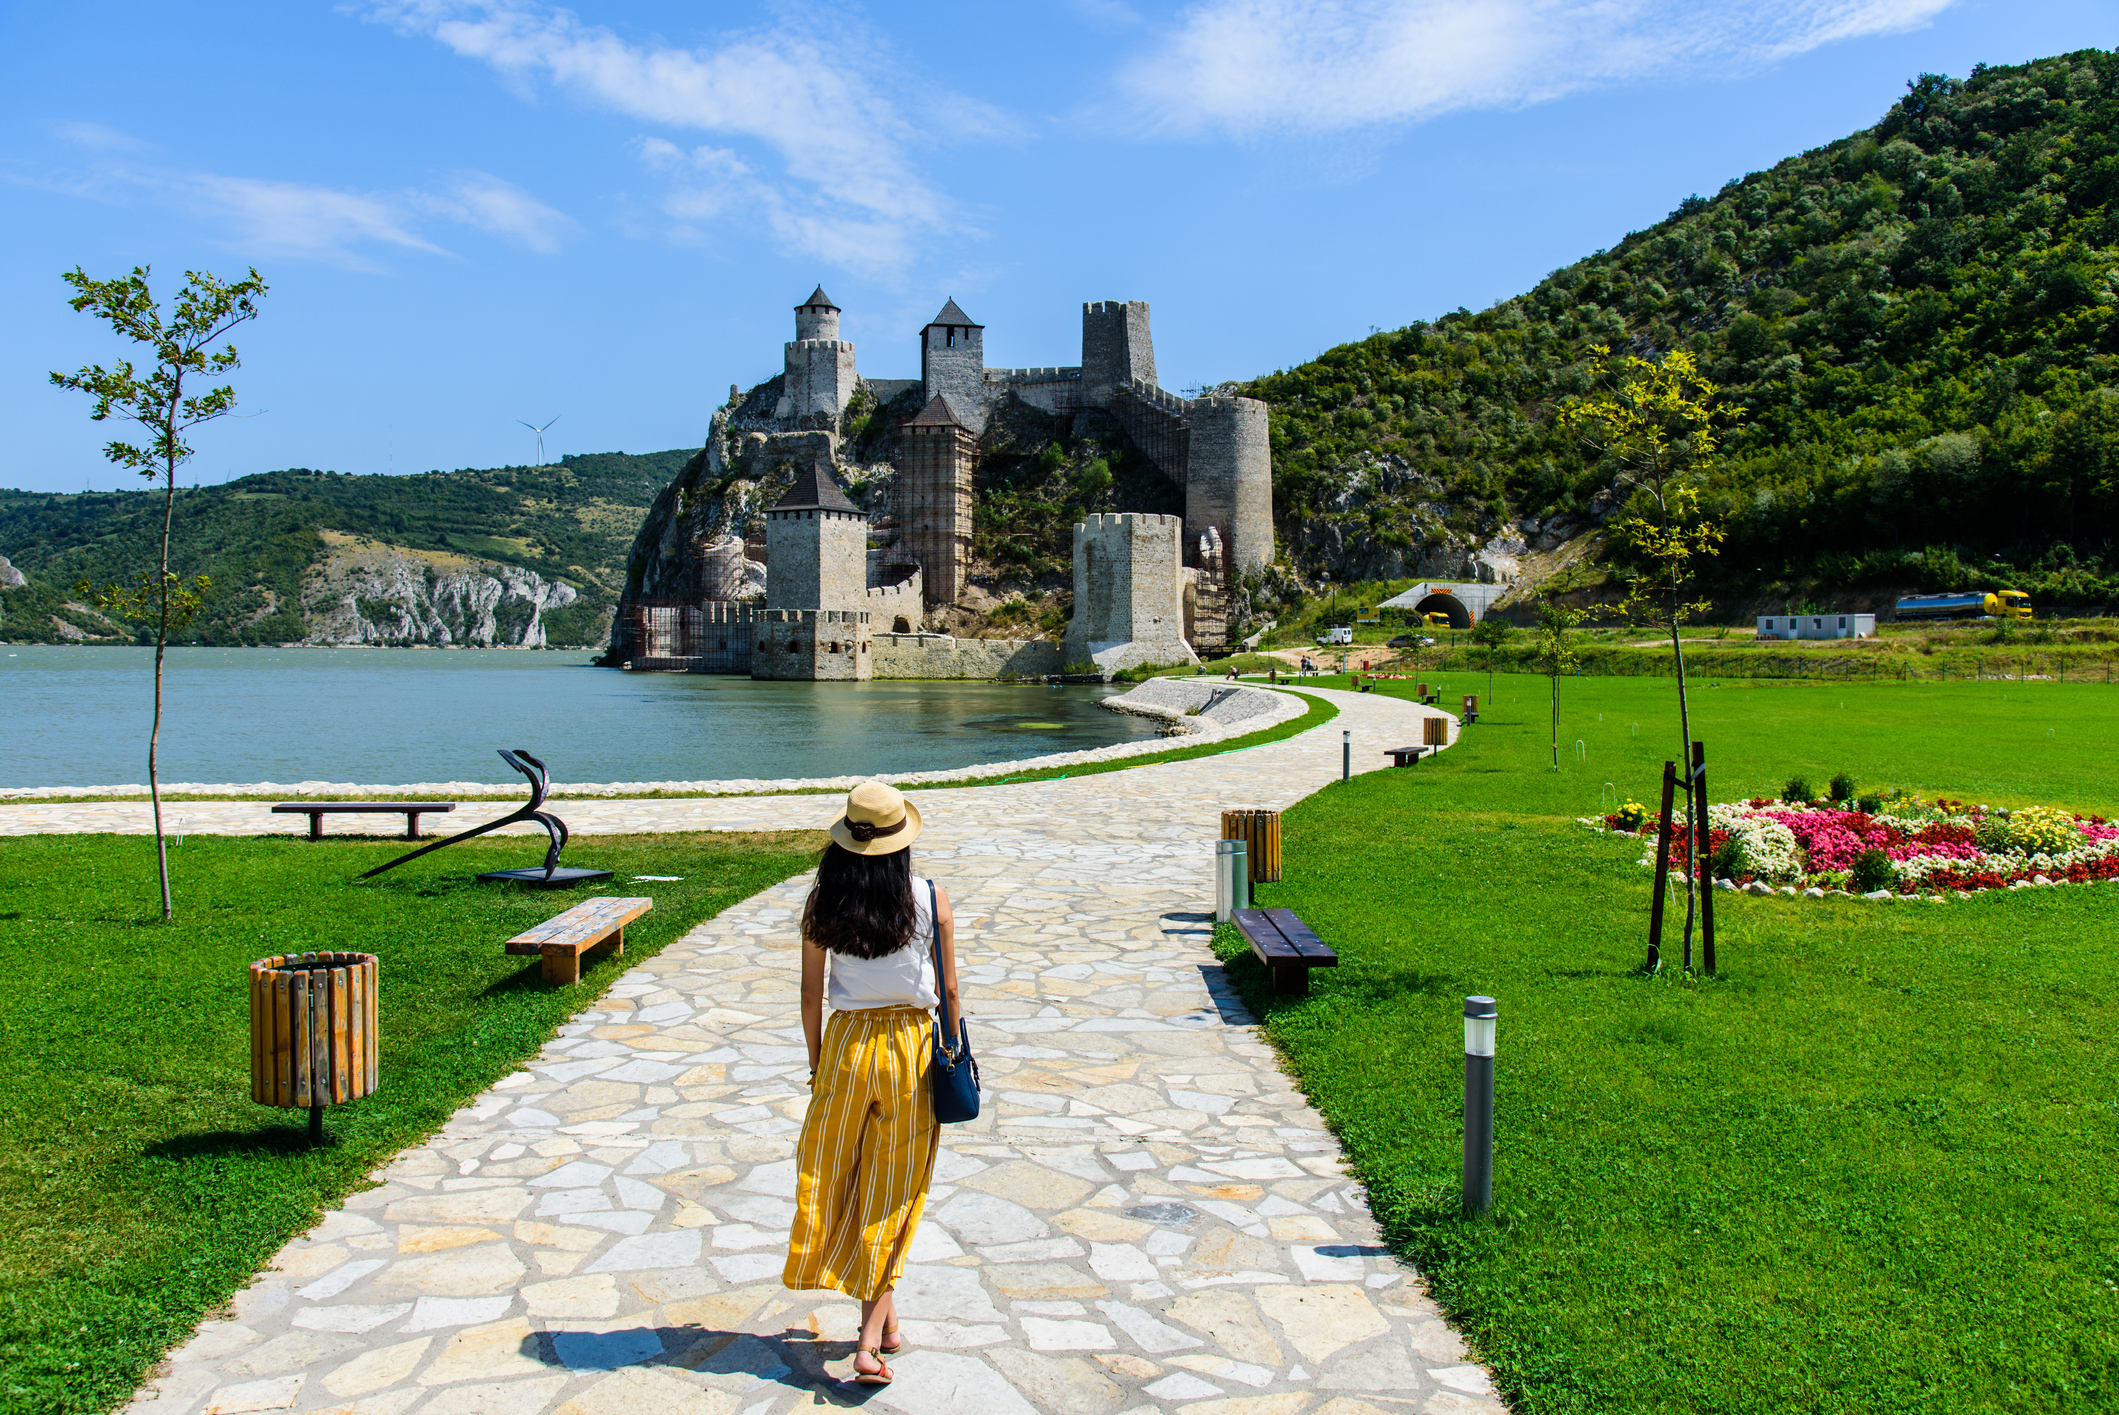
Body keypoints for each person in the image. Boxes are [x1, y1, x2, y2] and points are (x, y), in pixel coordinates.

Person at [784, 780, 961, 1387]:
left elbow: (811, 994)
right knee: (894, 1186)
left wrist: (817, 1065)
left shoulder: (822, 903)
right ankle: (867, 1344)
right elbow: (952, 991)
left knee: (835, 1174)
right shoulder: (929, 899)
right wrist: (953, 1050)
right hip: (910, 1049)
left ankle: (884, 1323)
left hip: (846, 1049)